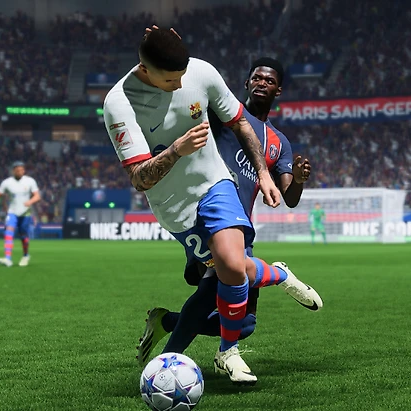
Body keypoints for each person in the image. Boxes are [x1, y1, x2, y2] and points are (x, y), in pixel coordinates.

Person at [103, 27, 323, 385]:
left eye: (181, 75)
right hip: (175, 206)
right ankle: (278, 275)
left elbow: (241, 123)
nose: (179, 85)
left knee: (227, 283)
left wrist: (266, 175)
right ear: (145, 70)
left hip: (217, 188)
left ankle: (202, 356)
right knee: (232, 290)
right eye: (170, 79)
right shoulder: (118, 104)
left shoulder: (202, 73)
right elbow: (140, 178)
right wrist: (177, 149)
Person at [0, 161, 40, 267]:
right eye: (17, 170)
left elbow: (37, 196)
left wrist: (30, 201)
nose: (20, 172)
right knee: (8, 232)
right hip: (12, 212)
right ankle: (8, 258)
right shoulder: (7, 182)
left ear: (24, 170)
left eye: (22, 170)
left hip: (25, 213)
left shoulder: (30, 181)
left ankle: (26, 255)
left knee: (24, 237)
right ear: (13, 171)